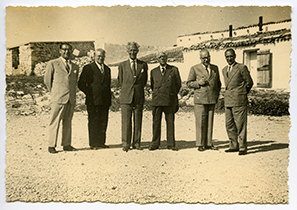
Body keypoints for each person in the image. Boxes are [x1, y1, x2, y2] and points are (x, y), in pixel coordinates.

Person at [44, 43, 79, 154]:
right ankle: (51, 145)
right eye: (64, 50)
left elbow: (74, 82)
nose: (66, 52)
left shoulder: (75, 66)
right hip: (58, 98)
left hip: (70, 99)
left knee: (68, 122)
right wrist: (55, 93)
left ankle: (66, 144)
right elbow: (47, 81)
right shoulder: (53, 63)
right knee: (55, 121)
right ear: (60, 51)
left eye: (68, 50)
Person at [187, 49, 221, 152]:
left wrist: (216, 94)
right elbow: (188, 83)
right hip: (200, 99)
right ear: (200, 58)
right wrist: (198, 83)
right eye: (204, 58)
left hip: (211, 99)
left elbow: (218, 83)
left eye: (207, 57)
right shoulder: (194, 68)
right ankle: (200, 144)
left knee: (210, 121)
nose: (206, 59)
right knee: (200, 122)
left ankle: (209, 143)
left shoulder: (215, 68)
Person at [78, 48, 111, 150]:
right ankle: (93, 143)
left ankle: (101, 142)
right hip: (93, 100)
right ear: (94, 57)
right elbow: (81, 84)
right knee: (93, 121)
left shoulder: (107, 69)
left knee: (103, 121)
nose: (100, 58)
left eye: (102, 56)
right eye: (98, 56)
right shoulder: (88, 68)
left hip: (105, 100)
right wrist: (89, 93)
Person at [118, 42, 148, 152]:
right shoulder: (122, 65)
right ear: (127, 51)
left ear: (137, 51)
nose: (132, 52)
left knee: (138, 121)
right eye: (130, 50)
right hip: (126, 97)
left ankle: (137, 143)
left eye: (134, 50)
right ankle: (126, 144)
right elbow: (120, 81)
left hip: (138, 97)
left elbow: (144, 81)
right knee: (126, 121)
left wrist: (137, 90)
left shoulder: (143, 65)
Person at [222, 48, 253, 156]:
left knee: (240, 125)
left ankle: (242, 147)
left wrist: (242, 93)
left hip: (239, 101)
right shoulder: (224, 69)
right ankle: (233, 145)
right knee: (229, 125)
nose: (229, 58)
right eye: (227, 57)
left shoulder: (241, 68)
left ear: (235, 56)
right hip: (228, 101)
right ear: (225, 58)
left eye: (231, 56)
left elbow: (249, 82)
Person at [149, 52, 181, 151]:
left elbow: (178, 84)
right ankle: (155, 143)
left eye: (163, 57)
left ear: (167, 58)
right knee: (156, 122)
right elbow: (153, 85)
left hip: (169, 100)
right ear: (157, 59)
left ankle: (171, 144)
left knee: (170, 122)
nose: (162, 58)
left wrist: (172, 93)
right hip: (157, 100)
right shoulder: (153, 71)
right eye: (160, 57)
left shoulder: (173, 70)